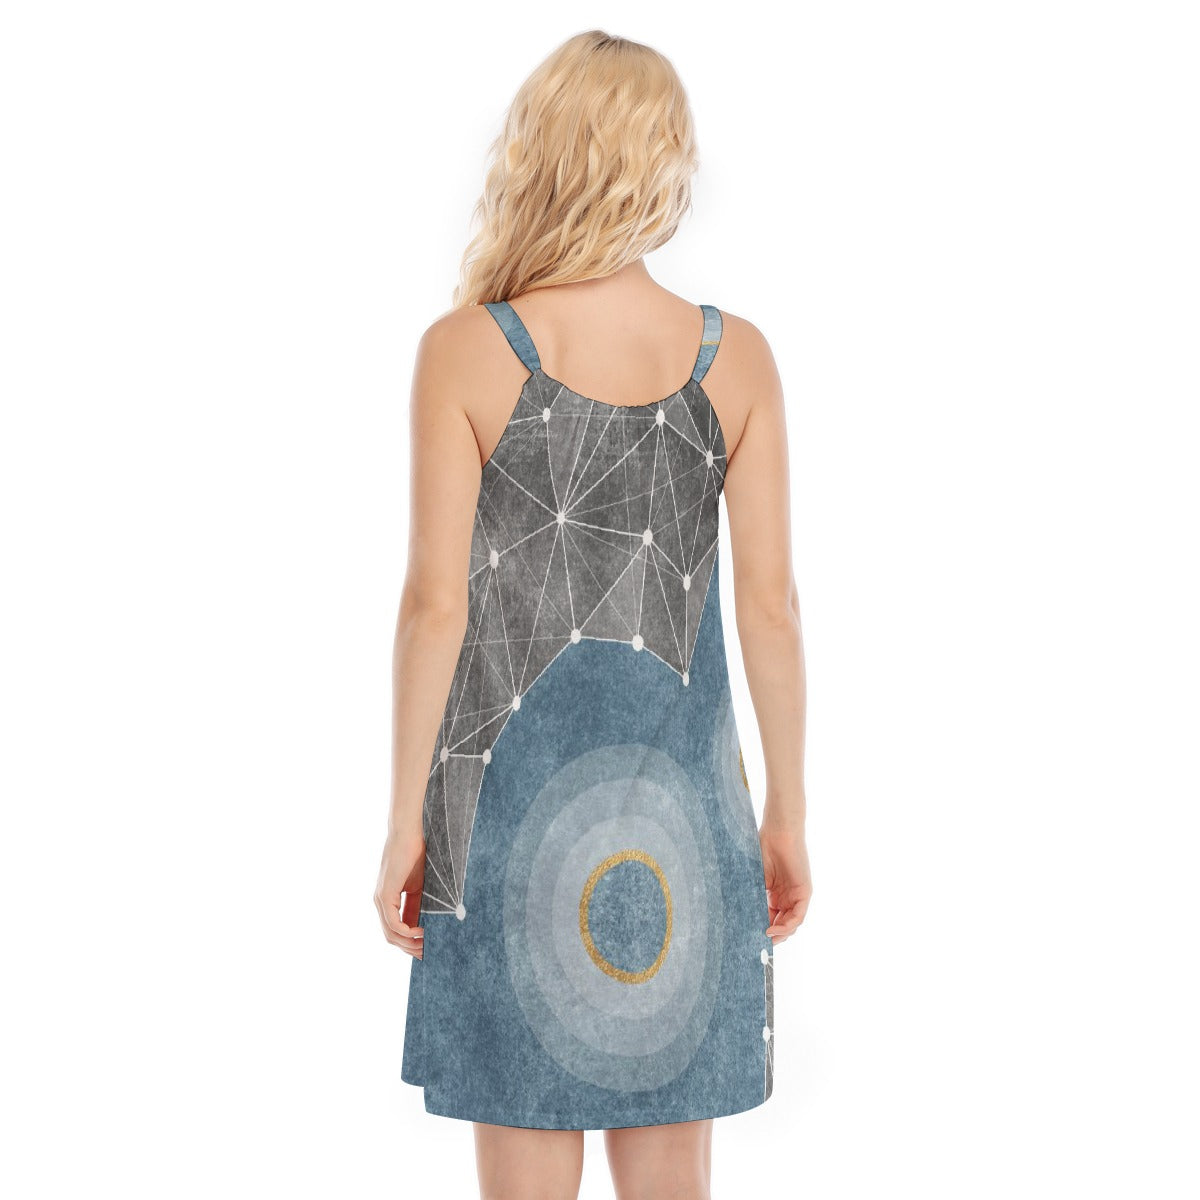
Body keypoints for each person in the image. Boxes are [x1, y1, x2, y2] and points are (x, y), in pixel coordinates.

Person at [374, 29, 811, 1200]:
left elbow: (434, 607)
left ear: (539, 154)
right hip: (683, 828)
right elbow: (771, 609)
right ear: (662, 163)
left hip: (502, 819)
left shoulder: (466, 353)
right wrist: (785, 808)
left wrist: (406, 820)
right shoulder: (736, 360)